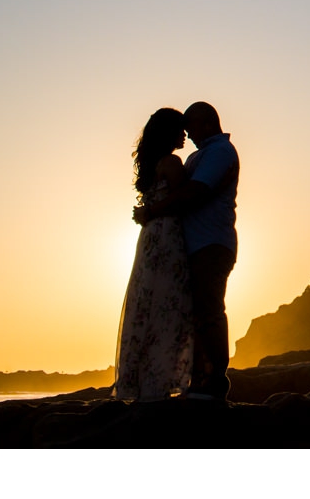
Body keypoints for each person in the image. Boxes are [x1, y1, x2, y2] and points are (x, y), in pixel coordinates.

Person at [133, 101, 240, 400]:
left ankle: (215, 381)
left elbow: (195, 193)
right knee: (190, 314)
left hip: (211, 243)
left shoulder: (219, 152)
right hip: (189, 245)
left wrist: (152, 210)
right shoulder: (196, 156)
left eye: (190, 127)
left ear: (207, 123)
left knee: (209, 311)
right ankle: (196, 380)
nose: (187, 134)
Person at [113, 107, 194, 401]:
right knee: (169, 306)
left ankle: (144, 381)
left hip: (150, 241)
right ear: (169, 132)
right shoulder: (172, 163)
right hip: (168, 241)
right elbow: (186, 200)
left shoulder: (153, 165)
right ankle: (159, 380)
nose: (185, 135)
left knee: (148, 304)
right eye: (180, 129)